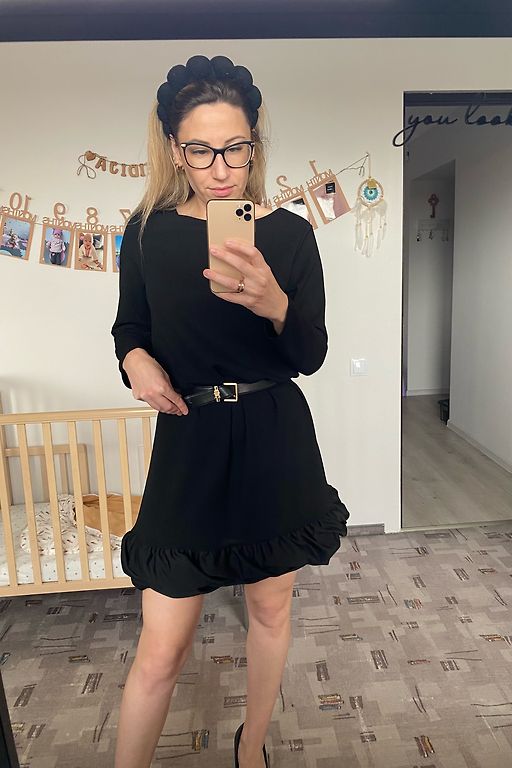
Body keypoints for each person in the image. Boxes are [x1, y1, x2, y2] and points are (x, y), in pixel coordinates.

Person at [110, 54, 350, 768]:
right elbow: (130, 327)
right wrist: (134, 360)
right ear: (174, 149)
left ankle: (251, 748)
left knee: (270, 611)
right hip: (190, 441)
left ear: (254, 143)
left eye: (235, 147)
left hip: (275, 435)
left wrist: (274, 303)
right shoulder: (147, 231)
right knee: (162, 645)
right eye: (201, 150)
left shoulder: (290, 235)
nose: (221, 169)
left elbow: (310, 354)